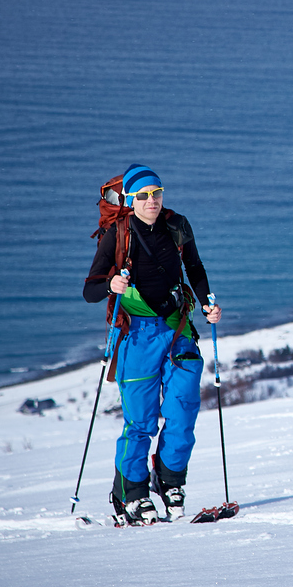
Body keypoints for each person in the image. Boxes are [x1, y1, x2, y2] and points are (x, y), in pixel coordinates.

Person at [83, 164, 221, 525]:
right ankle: (131, 492)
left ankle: (171, 481)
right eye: (143, 196)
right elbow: (90, 288)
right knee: (140, 421)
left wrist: (207, 303)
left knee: (184, 409)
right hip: (137, 335)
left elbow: (195, 267)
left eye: (156, 194)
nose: (151, 201)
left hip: (177, 327)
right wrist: (111, 285)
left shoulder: (177, 225)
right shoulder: (117, 233)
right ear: (130, 198)